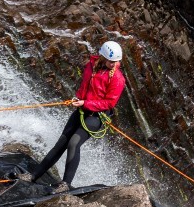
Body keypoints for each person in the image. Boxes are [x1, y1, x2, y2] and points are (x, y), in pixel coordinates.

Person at [16, 41, 126, 193]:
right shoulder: (91, 65)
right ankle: (33, 175)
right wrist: (78, 98)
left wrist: (85, 103)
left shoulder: (117, 79)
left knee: (73, 143)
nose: (114, 64)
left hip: (97, 115)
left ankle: (65, 184)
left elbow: (109, 103)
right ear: (102, 57)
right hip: (82, 109)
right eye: (111, 61)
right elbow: (85, 86)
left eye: (116, 62)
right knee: (62, 142)